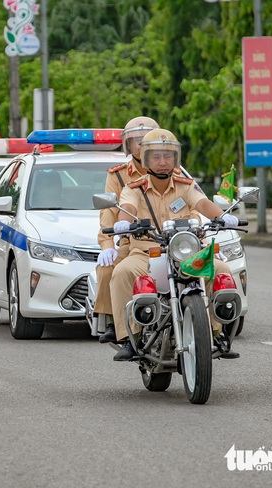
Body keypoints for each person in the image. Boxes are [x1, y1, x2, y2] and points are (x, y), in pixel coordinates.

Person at [109, 128, 240, 361]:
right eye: (156, 156)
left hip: (186, 251)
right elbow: (127, 208)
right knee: (121, 272)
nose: (162, 162)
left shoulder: (185, 185)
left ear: (175, 158)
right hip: (147, 252)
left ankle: (218, 332)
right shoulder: (134, 188)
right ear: (146, 158)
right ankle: (130, 338)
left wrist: (222, 216)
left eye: (167, 156)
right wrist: (123, 223)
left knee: (222, 269)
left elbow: (203, 203)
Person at [95, 116, 160, 344]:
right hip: (132, 241)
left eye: (147, 140)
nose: (142, 145)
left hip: (170, 240)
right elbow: (109, 213)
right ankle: (116, 323)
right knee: (110, 268)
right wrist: (107, 244)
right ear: (128, 145)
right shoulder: (118, 175)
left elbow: (193, 204)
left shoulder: (172, 169)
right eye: (137, 141)